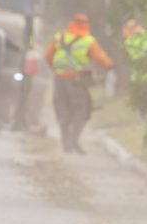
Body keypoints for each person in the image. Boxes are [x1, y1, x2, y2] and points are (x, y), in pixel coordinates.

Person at [44, 13, 114, 153]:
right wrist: (110, 66)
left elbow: (48, 56)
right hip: (76, 81)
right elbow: (101, 59)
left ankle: (66, 143)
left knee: (63, 111)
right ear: (86, 25)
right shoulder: (88, 40)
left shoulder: (60, 37)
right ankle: (73, 139)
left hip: (59, 80)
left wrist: (57, 70)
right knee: (82, 111)